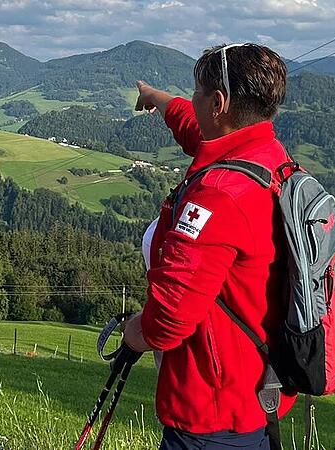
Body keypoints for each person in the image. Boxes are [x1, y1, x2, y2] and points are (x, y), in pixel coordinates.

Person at [123, 44, 297, 450]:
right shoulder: (265, 157)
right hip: (258, 393)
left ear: (218, 103)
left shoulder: (218, 195)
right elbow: (192, 124)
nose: (192, 99)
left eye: (197, 91)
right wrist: (157, 98)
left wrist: (133, 335)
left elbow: (170, 318)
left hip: (210, 412)